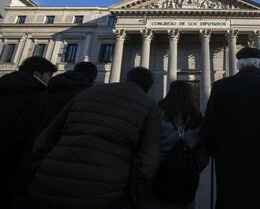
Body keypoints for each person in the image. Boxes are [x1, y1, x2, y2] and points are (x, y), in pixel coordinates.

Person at [29, 67, 161, 209]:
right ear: (147, 88)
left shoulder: (88, 92)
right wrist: (132, 192)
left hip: (50, 181)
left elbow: (46, 137)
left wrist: (40, 167)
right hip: (102, 190)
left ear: (126, 78)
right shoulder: (149, 105)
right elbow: (149, 156)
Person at [201, 47, 260, 209]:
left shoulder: (221, 87)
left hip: (230, 158)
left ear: (239, 64)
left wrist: (212, 149)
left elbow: (210, 124)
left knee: (232, 198)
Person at [12, 62, 98, 208]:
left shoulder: (42, 95)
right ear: (92, 80)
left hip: (28, 167)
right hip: (64, 172)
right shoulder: (89, 100)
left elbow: (20, 132)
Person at [140, 80, 209, 209]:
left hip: (158, 177)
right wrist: (192, 168)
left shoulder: (157, 113)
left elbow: (146, 144)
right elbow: (204, 154)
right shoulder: (198, 118)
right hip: (185, 180)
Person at [0, 56, 57, 208]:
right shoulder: (40, 96)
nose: (50, 80)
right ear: (37, 74)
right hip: (16, 164)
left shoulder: (4, 86)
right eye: (49, 76)